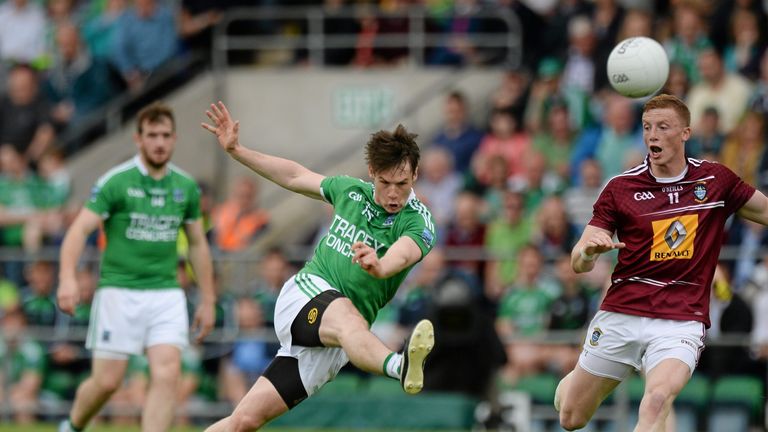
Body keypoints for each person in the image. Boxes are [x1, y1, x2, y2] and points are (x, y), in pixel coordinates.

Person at [200, 101, 436, 431]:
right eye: (385, 183)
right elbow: (295, 175)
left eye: (402, 184)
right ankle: (400, 365)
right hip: (306, 296)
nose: (393, 194)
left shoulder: (419, 221)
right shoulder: (351, 191)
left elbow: (406, 253)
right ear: (371, 171)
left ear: (415, 175)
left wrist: (381, 266)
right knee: (349, 319)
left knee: (243, 421)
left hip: (335, 343)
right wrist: (238, 151)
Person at [554, 93, 768, 431]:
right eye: (647, 127)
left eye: (663, 127)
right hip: (622, 312)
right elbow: (578, 261)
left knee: (657, 400)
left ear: (685, 133)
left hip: (680, 318)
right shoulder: (620, 188)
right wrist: (588, 252)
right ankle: (576, 381)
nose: (652, 135)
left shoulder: (715, 181)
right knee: (571, 417)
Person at [56, 102, 216, 432]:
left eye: (166, 136)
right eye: (152, 135)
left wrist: (209, 299)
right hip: (119, 292)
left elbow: (198, 244)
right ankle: (72, 426)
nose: (159, 143)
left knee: (167, 373)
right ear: (138, 139)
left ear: (175, 139)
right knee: (107, 382)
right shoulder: (116, 182)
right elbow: (78, 230)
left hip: (166, 293)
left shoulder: (185, 187)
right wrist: (67, 278)